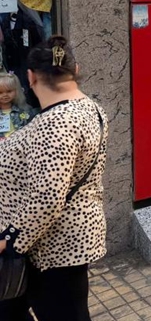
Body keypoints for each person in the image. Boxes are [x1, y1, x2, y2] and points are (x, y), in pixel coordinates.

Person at [0, 36, 109, 321]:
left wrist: (9, 241)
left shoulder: (56, 123)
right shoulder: (90, 108)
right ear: (76, 69)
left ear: (30, 76)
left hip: (50, 249)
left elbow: (47, 197)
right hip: (69, 237)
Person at [0, 72, 35, 139]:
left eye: (9, 91)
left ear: (16, 91)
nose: (5, 95)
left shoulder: (24, 110)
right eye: (0, 92)